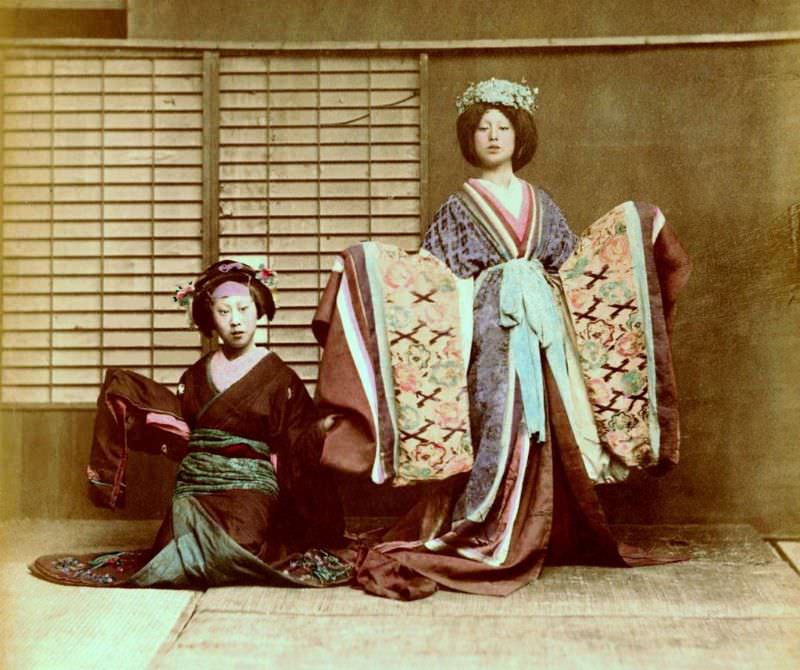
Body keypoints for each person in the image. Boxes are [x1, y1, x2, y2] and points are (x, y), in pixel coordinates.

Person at [313, 78, 691, 600]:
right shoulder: (459, 207)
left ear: (520, 136)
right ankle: (487, 527)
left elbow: (573, 267)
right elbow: (434, 279)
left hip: (543, 328)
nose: (493, 136)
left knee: (552, 423)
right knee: (501, 422)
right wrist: (365, 265)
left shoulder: (542, 202)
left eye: (504, 128)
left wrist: (635, 225)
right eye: (484, 128)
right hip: (490, 332)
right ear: (471, 138)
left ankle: (547, 531)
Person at [30, 260, 351, 588]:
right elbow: (180, 429)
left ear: (260, 311)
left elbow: (297, 443)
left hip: (249, 486)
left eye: (244, 308)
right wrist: (137, 420)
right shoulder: (196, 375)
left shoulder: (281, 378)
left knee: (241, 549)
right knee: (170, 550)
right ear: (209, 318)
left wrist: (320, 429)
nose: (236, 321)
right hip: (196, 484)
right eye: (224, 312)